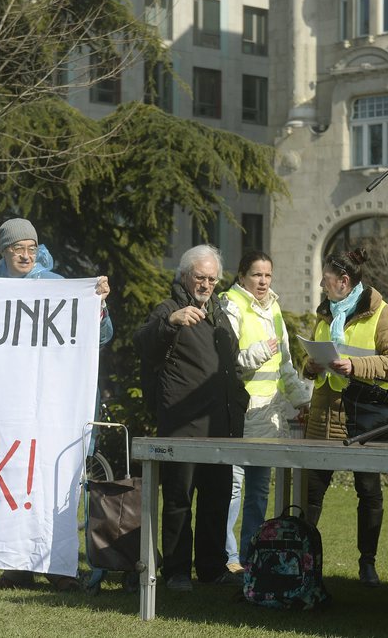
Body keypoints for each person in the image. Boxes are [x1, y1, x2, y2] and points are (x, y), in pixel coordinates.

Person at [0, 218, 112, 592]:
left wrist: (98, 305)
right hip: (4, 407)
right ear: (3, 252)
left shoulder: (58, 288)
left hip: (50, 406)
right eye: (17, 249)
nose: (25, 255)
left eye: (31, 248)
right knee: (11, 485)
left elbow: (101, 338)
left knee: (55, 488)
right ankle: (16, 567)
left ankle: (58, 568)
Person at [134, 244, 248, 591]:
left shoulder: (219, 313)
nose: (207, 284)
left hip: (220, 427)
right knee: (179, 502)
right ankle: (178, 572)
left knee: (216, 499)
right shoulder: (169, 309)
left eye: (213, 278)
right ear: (185, 275)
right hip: (183, 425)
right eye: (201, 277)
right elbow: (142, 343)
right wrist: (171, 322)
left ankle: (212, 568)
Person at [303, 249, 388, 588]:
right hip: (323, 412)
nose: (322, 285)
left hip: (364, 415)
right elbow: (309, 361)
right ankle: (303, 563)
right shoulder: (323, 316)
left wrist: (356, 366)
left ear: (344, 282)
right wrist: (311, 365)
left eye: (326, 280)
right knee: (312, 493)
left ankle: (368, 564)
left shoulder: (384, 314)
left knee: (369, 490)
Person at [219, 250, 311, 573]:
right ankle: (227, 557)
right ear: (242, 275)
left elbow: (285, 366)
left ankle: (248, 556)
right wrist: (260, 351)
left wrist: (302, 401)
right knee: (231, 490)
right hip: (239, 415)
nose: (263, 281)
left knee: (258, 492)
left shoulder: (274, 309)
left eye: (267, 275)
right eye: (257, 274)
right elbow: (228, 362)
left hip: (268, 417)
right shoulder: (230, 304)